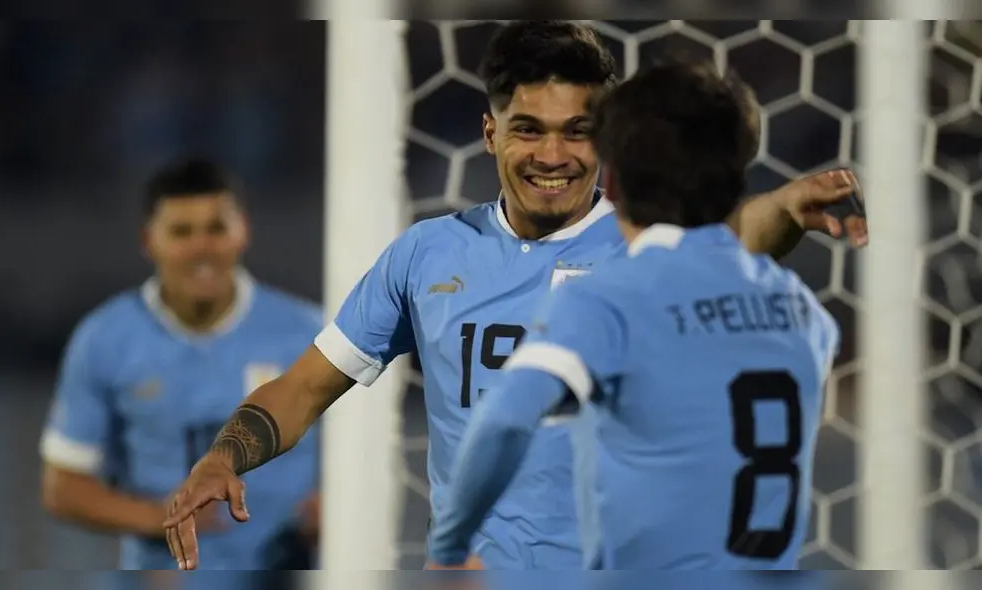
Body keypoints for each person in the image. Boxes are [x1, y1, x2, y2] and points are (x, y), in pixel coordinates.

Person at [164, 21, 865, 571]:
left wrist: (788, 203)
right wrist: (224, 457)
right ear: (491, 131)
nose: (553, 157)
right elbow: (306, 387)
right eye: (529, 129)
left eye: (577, 132)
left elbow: (738, 235)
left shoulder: (645, 241)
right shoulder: (428, 253)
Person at [426, 57, 839, 572]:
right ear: (736, 179)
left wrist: (449, 550)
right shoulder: (804, 310)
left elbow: (505, 419)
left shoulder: (610, 299)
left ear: (613, 183)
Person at [39, 159, 323, 583]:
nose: (201, 247)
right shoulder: (105, 339)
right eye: (181, 232)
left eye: (215, 229)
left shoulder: (307, 333)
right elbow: (62, 487)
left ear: (242, 230)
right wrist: (156, 518)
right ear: (148, 240)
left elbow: (368, 451)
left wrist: (336, 508)